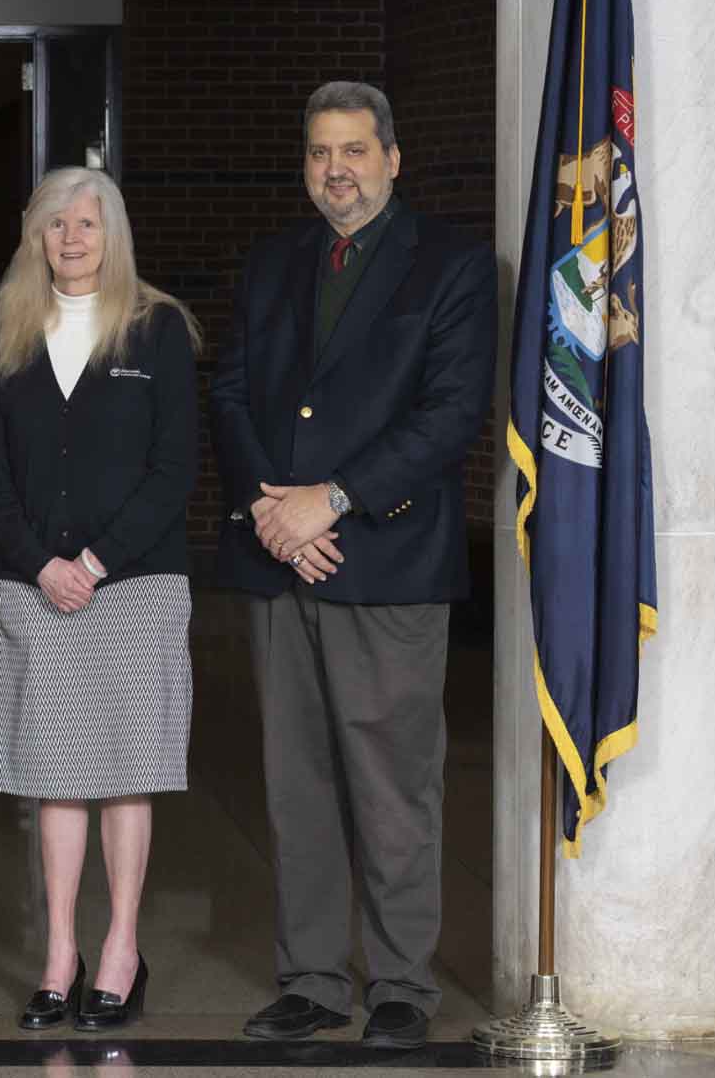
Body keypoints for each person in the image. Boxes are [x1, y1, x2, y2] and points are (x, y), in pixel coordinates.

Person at [211, 81, 495, 1050]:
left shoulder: (451, 265)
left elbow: (451, 415)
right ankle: (313, 980)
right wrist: (270, 508)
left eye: (355, 152)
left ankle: (404, 986)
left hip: (385, 556)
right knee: (297, 782)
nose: (336, 170)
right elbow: (235, 393)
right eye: (321, 153)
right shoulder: (273, 261)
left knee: (393, 783)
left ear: (393, 159)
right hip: (281, 558)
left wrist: (328, 501)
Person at [0, 167, 201, 1032]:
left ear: (115, 235)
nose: (72, 238)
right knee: (54, 779)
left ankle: (121, 950)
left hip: (135, 585)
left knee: (126, 777)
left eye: (89, 223)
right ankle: (60, 952)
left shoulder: (157, 330)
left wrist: (96, 561)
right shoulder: (9, 332)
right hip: (36, 589)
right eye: (57, 224)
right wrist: (44, 565)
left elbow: (174, 468)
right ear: (36, 236)